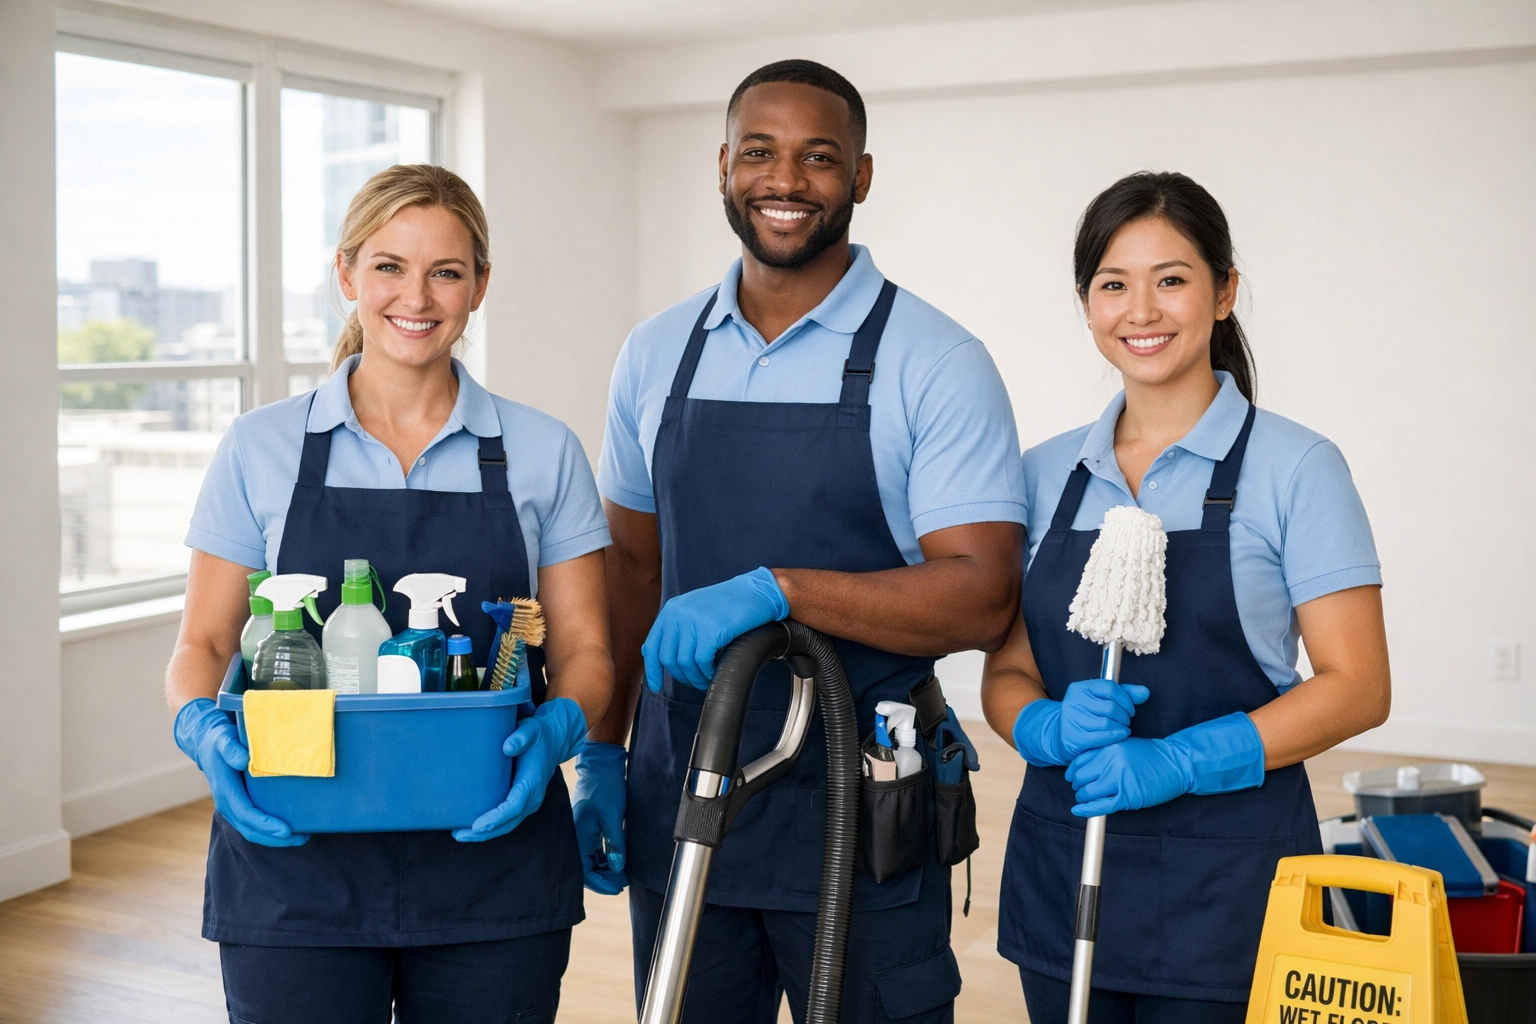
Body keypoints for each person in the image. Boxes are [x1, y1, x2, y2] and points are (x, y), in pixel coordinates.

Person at [578, 59, 1028, 1023]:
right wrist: (605, 760)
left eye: (819, 157)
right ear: (723, 167)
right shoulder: (655, 352)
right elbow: (630, 572)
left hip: (857, 804)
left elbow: (983, 593)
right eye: (759, 153)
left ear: (862, 176)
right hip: (685, 790)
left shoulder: (936, 362)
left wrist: (778, 588)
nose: (785, 181)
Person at [165, 164, 614, 1023]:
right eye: (388, 267)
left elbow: (588, 649)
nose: (418, 296)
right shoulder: (260, 447)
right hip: (295, 859)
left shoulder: (542, 450)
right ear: (346, 275)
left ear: (479, 285)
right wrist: (200, 726)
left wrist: (563, 729)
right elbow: (207, 645)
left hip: (492, 861)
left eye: (446, 271)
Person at [982, 171, 1391, 1023]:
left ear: (1224, 291)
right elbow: (1008, 670)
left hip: (1227, 883)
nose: (1143, 311)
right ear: (1086, 304)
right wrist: (1042, 726)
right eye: (1113, 285)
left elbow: (1358, 685)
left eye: (1171, 279)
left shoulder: (1298, 468)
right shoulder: (1043, 475)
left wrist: (1178, 761)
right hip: (1067, 867)